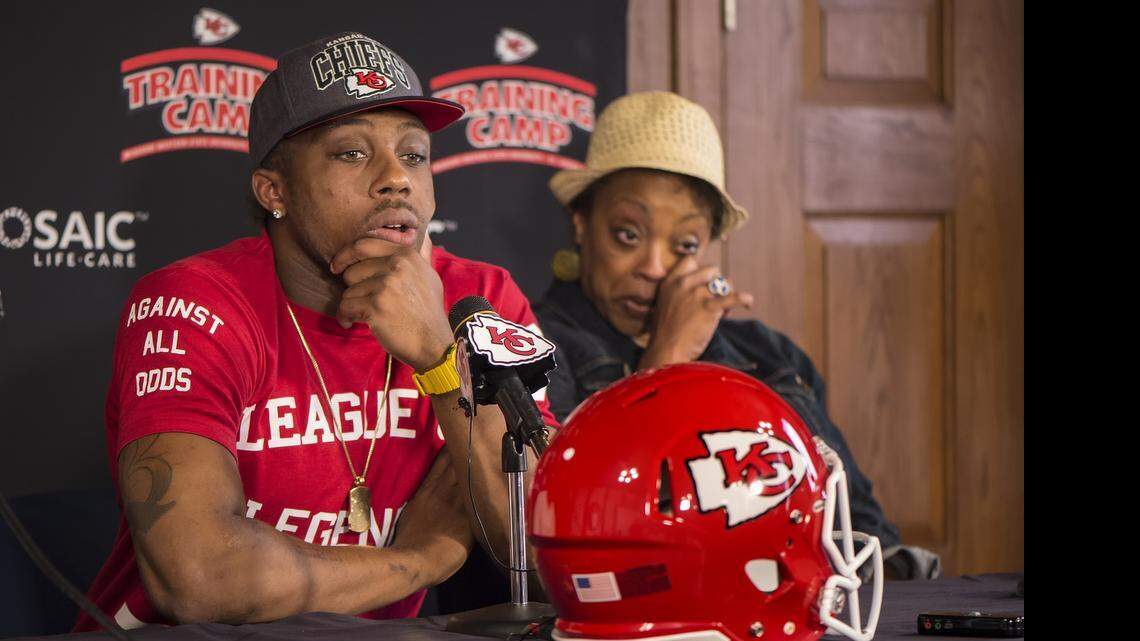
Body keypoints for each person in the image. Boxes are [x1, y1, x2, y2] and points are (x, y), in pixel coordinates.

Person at [75, 32, 556, 631]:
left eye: (413, 155)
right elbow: (201, 581)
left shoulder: (479, 302)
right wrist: (422, 560)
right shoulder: (192, 304)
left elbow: (548, 557)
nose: (396, 179)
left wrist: (439, 357)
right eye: (351, 153)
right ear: (274, 190)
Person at [534, 91, 938, 580]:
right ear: (581, 224)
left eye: (684, 244)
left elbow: (864, 530)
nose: (655, 267)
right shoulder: (536, 346)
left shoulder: (770, 356)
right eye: (628, 235)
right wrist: (668, 356)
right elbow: (580, 525)